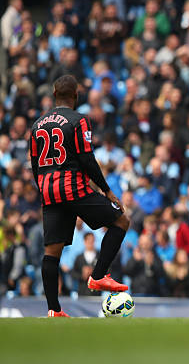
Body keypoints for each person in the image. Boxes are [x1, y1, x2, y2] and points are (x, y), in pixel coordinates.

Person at [30, 75, 130, 317]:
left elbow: (34, 163)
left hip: (48, 191)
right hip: (72, 187)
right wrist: (106, 190)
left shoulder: (37, 125)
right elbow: (87, 158)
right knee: (121, 221)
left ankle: (54, 310)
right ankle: (98, 276)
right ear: (76, 95)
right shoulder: (78, 120)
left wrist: (43, 187)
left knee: (51, 252)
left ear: (54, 94)